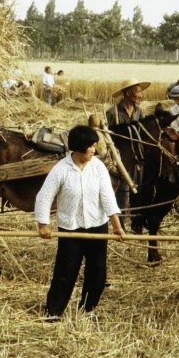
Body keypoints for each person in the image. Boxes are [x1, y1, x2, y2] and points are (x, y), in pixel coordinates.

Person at [35, 125, 125, 321]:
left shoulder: (98, 167)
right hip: (71, 229)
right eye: (90, 146)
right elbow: (44, 197)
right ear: (78, 148)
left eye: (94, 146)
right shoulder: (61, 170)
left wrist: (117, 227)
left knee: (97, 272)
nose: (94, 150)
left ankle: (88, 309)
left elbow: (108, 197)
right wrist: (43, 224)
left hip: (97, 227)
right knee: (65, 271)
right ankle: (54, 311)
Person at [106, 79, 151, 231]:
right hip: (120, 158)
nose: (140, 95)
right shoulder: (113, 112)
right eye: (137, 91)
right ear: (127, 93)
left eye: (140, 91)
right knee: (122, 192)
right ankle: (120, 226)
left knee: (138, 190)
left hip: (137, 157)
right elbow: (107, 138)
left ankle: (137, 224)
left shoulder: (139, 111)